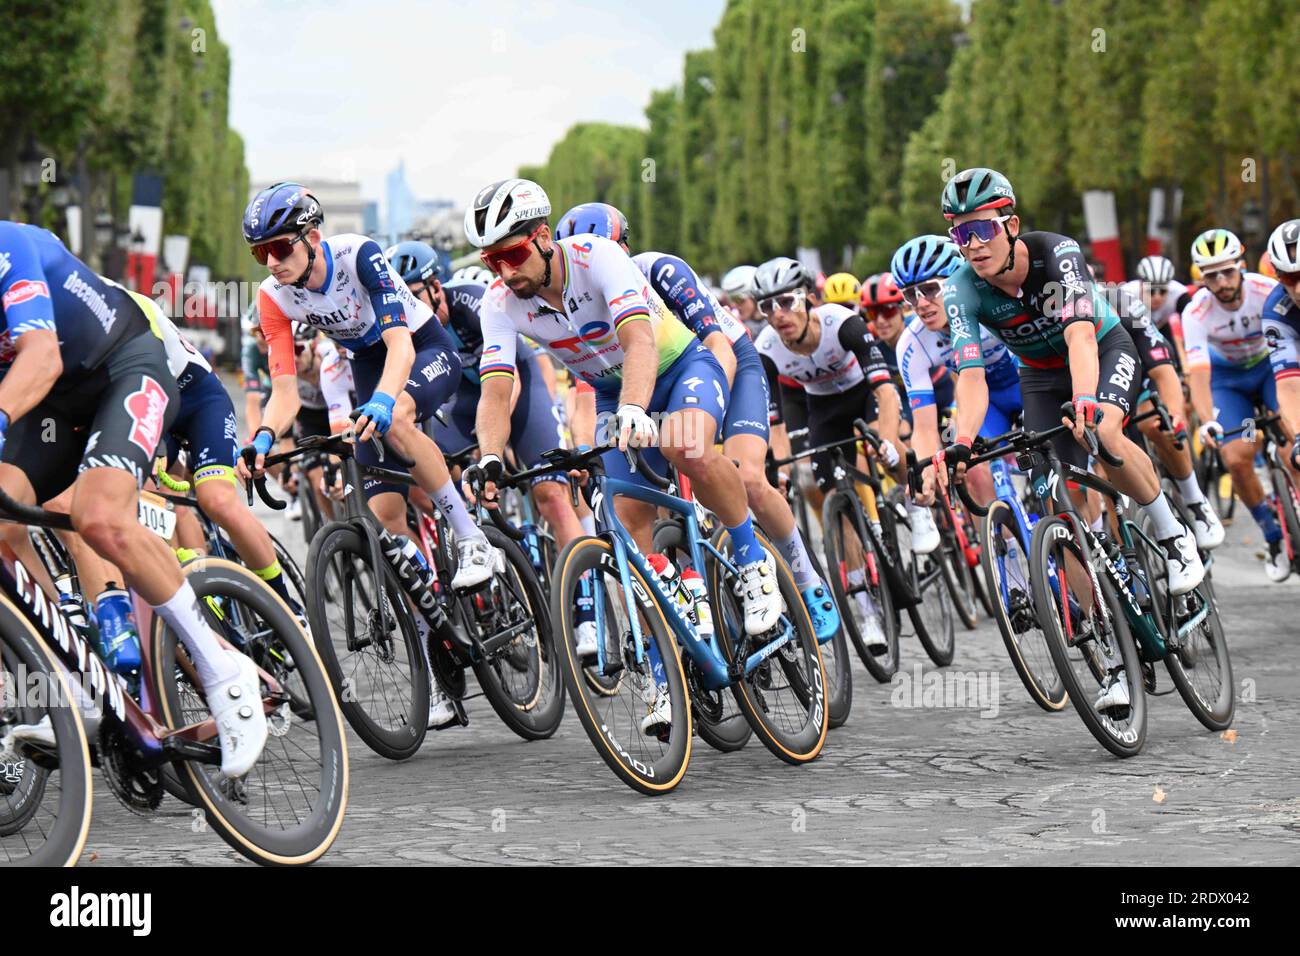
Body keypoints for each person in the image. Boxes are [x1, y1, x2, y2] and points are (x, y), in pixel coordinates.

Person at [463, 178, 783, 737]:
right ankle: (665, 678)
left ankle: (755, 562)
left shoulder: (599, 257)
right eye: (492, 261)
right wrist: (490, 457)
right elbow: (496, 389)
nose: (504, 272)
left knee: (686, 447)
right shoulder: (499, 302)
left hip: (677, 366)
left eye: (512, 255)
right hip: (612, 392)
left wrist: (638, 409)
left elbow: (639, 341)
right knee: (630, 536)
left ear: (542, 238)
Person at [0, 220, 267, 776]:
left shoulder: (10, 245)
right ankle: (73, 680)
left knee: (96, 517)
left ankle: (223, 668)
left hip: (123, 366)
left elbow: (41, 357)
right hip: (54, 406)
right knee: (4, 523)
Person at [935, 168, 1203, 716]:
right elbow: (971, 377)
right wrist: (961, 440)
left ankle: (1175, 538)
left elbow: (1081, 335)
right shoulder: (960, 289)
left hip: (1101, 348)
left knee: (1103, 432)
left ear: (1010, 224)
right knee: (1059, 505)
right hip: (1038, 374)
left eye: (982, 230)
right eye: (959, 235)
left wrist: (1085, 402)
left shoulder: (1057, 254)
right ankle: (1113, 655)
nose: (972, 246)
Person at [553, 202, 839, 639]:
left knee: (746, 479)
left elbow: (717, 347)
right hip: (648, 388)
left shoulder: (661, 271)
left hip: (726, 362)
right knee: (634, 503)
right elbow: (587, 391)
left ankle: (806, 581)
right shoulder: (573, 306)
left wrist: (702, 420)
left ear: (623, 249)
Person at [753, 256, 904, 650]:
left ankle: (919, 507)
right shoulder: (766, 349)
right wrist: (779, 470)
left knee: (891, 449)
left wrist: (886, 442)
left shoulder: (842, 323)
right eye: (767, 306)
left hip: (864, 395)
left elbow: (886, 392)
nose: (777, 314)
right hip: (823, 408)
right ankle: (865, 610)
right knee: (829, 491)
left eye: (786, 301)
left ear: (807, 300)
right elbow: (775, 425)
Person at [1181, 228, 1285, 580]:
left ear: (1241, 265)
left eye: (1227, 271)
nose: (1222, 281)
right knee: (1237, 456)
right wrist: (1207, 420)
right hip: (1229, 380)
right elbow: (1197, 372)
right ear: (1201, 277)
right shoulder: (1196, 311)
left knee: (1292, 445)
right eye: (1211, 275)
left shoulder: (1267, 290)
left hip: (1270, 367)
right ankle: (1272, 538)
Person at [892, 235, 1019, 512]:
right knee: (967, 468)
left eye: (930, 289)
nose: (921, 303)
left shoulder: (992, 303)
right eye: (911, 295)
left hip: (1027, 383)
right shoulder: (912, 344)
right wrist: (925, 472)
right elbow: (924, 427)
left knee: (1058, 473)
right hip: (982, 403)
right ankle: (1005, 551)